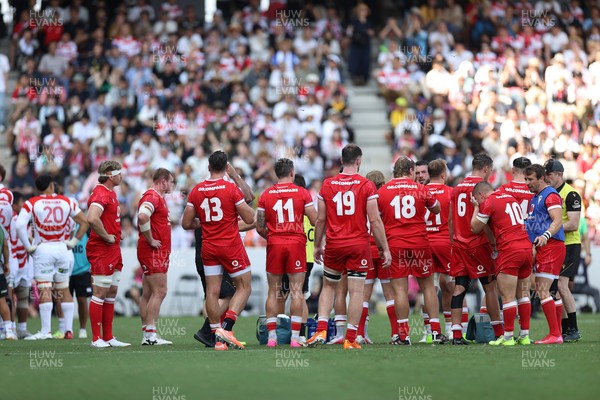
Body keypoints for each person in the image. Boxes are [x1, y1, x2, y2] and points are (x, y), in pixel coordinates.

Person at [307, 144, 391, 350]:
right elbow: (375, 221)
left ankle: (321, 330)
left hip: (334, 243)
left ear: (341, 160)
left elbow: (320, 220)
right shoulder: (366, 185)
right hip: (358, 244)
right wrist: (385, 248)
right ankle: (350, 338)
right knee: (356, 292)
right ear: (359, 161)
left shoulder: (327, 185)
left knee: (329, 286)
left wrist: (317, 246)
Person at [182, 151, 255, 351]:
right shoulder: (230, 188)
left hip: (208, 246)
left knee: (212, 292)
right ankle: (227, 327)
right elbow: (250, 219)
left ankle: (217, 338)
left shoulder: (196, 190)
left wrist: (205, 221)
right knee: (244, 287)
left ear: (208, 167)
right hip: (230, 245)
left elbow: (186, 223)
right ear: (226, 168)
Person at [378, 157, 446, 345]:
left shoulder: (383, 192)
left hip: (395, 244)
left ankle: (403, 335)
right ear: (410, 171)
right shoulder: (421, 189)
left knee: (400, 290)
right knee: (428, 287)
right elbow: (437, 209)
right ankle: (436, 331)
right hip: (419, 243)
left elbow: (377, 219)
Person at [16, 175, 89, 341]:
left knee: (45, 289)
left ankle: (45, 331)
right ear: (51, 185)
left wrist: (28, 246)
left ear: (37, 188)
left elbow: (20, 225)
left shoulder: (32, 203)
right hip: (63, 248)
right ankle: (68, 330)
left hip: (43, 248)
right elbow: (84, 222)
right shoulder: (67, 201)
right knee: (64, 289)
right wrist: (73, 242)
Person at [256, 158, 317, 347]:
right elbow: (315, 220)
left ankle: (272, 338)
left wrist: (273, 235)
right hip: (296, 243)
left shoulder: (266, 194)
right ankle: (295, 338)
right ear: (292, 172)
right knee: (296, 292)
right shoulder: (302, 193)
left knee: (274, 291)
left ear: (276, 174)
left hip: (275, 243)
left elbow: (259, 226)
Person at [449, 153, 502, 345]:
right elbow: (487, 222)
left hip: (459, 244)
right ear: (486, 168)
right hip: (478, 244)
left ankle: (456, 334)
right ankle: (498, 331)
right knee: (489, 287)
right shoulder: (484, 190)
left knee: (459, 287)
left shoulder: (456, 188)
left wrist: (452, 241)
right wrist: (494, 244)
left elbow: (450, 219)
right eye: (491, 170)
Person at [471, 181, 533, 346]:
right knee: (523, 295)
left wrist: (476, 208)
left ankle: (507, 337)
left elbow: (474, 227)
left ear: (480, 195)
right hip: (526, 248)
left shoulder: (489, 201)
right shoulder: (510, 198)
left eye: (476, 199)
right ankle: (525, 336)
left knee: (507, 297)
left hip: (510, 250)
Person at [86, 161, 130, 348]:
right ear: (111, 175)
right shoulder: (101, 193)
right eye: (119, 173)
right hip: (102, 248)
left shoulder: (110, 192)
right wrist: (106, 236)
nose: (122, 176)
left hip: (113, 248)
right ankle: (96, 338)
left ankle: (109, 336)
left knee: (111, 291)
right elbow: (91, 218)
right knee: (100, 291)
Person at [524, 164, 566, 345]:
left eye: (530, 179)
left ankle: (555, 334)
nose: (527, 183)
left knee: (541, 290)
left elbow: (557, 220)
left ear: (542, 178)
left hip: (551, 247)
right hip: (542, 247)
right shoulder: (535, 198)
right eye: (525, 179)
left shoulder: (550, 195)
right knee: (548, 291)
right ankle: (558, 333)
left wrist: (546, 235)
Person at [544, 159, 582, 342]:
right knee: (555, 289)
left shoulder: (571, 194)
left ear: (559, 174)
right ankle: (566, 330)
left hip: (570, 245)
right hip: (556, 245)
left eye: (549, 174)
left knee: (561, 286)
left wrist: (551, 228)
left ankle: (573, 328)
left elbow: (574, 224)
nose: (547, 177)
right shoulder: (549, 194)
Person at [356, 170, 395, 345]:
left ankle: (360, 334)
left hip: (367, 251)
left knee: (363, 296)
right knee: (390, 294)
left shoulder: (362, 199)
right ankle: (397, 333)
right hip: (384, 249)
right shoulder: (386, 199)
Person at [137, 168, 175, 346]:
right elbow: (142, 216)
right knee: (160, 291)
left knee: (148, 293)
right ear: (163, 181)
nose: (172, 185)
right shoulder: (152, 196)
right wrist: (151, 239)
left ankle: (147, 332)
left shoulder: (156, 197)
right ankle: (151, 335)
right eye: (171, 181)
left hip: (153, 251)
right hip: (153, 252)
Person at [424, 159, 457, 341]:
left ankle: (430, 331)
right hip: (445, 242)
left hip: (425, 243)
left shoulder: (420, 191)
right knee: (452, 286)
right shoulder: (450, 192)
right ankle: (453, 328)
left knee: (429, 288)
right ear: (443, 174)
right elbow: (453, 220)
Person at [8, 191, 33, 339]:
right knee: (10, 297)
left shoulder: (20, 219)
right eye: (21, 203)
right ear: (15, 205)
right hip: (14, 261)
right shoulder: (14, 219)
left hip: (21, 261)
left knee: (22, 296)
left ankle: (21, 329)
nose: (23, 205)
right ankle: (10, 328)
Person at [69, 224, 92, 339]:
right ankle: (66, 328)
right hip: (65, 270)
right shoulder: (63, 224)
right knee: (63, 300)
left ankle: (82, 329)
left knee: (82, 299)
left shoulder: (86, 227)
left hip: (82, 269)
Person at [0, 223, 14, 339]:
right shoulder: (1, 227)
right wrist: (6, 262)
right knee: (2, 300)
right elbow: (5, 245)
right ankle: (9, 330)